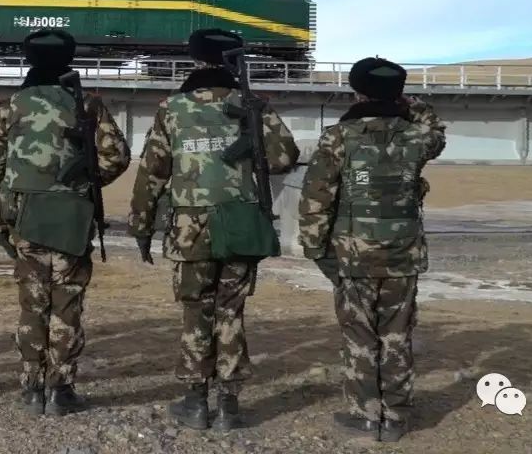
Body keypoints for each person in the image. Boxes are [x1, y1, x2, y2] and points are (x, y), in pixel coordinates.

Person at [127, 28, 300, 430]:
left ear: (196, 59)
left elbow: (153, 171)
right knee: (230, 312)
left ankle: (195, 401)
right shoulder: (250, 104)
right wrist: (254, 123)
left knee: (196, 311)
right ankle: (228, 406)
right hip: (240, 221)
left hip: (190, 227)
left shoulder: (172, 108)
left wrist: (141, 225)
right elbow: (283, 158)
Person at [0, 29, 130, 416]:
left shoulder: (11, 106)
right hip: (71, 216)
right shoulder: (87, 104)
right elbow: (117, 157)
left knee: (33, 304)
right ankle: (60, 389)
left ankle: (32, 388)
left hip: (24, 216)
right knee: (67, 304)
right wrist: (84, 182)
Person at [297, 56, 446, 443]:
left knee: (359, 334)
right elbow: (437, 132)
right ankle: (395, 416)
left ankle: (365, 415)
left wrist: (316, 249)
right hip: (403, 254)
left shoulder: (338, 137)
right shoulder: (417, 137)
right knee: (397, 333)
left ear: (357, 92)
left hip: (353, 255)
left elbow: (316, 197)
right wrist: (414, 105)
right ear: (398, 94)